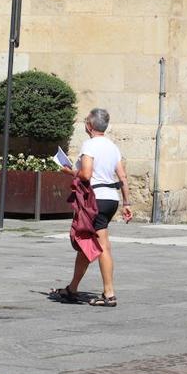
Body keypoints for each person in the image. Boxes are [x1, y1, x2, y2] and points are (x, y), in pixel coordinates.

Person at [51, 108, 132, 307]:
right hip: (110, 199)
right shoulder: (113, 147)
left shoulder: (90, 144)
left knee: (102, 245)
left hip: (94, 199)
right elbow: (122, 177)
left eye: (86, 120)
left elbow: (86, 174)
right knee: (87, 243)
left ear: (89, 125)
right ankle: (72, 288)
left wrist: (71, 171)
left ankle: (109, 293)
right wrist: (127, 203)